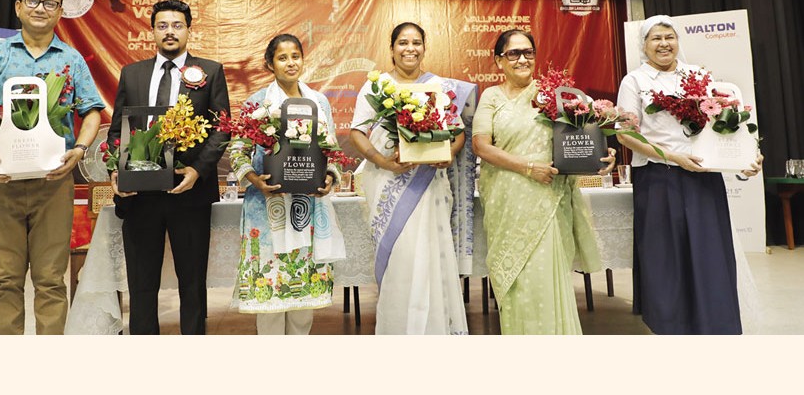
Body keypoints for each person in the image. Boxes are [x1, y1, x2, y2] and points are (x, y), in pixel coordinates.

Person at [0, 0, 105, 335]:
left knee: (51, 280)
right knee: (5, 280)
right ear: (19, 8)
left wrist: (80, 150)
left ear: (59, 13)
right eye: (33, 2)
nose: (41, 9)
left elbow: (92, 111)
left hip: (53, 183)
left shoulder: (71, 59)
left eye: (50, 4)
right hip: (3, 181)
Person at [615, 15, 763, 334]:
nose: (664, 43)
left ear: (678, 40)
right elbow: (625, 135)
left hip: (702, 174)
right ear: (644, 45)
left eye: (669, 36)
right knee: (664, 254)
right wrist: (673, 157)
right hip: (658, 177)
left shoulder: (698, 75)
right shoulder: (635, 81)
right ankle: (670, 326)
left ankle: (715, 322)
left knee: (710, 251)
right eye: (656, 38)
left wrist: (749, 155)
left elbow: (726, 124)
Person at [471, 29, 613, 334]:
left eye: (528, 53)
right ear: (499, 61)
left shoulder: (553, 94)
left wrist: (602, 153)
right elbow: (481, 146)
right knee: (517, 284)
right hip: (507, 205)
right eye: (513, 53)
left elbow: (581, 139)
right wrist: (528, 167)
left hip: (549, 201)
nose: (522, 59)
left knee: (548, 280)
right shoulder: (491, 97)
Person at [109, 0, 230, 334]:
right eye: (162, 25)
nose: (170, 31)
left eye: (177, 25)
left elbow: (223, 127)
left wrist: (198, 170)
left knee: (192, 283)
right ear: (152, 31)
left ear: (189, 30)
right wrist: (116, 172)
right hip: (139, 194)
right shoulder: (131, 73)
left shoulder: (210, 71)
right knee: (141, 283)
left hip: (189, 192)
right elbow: (118, 129)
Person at [349, 21, 476, 335]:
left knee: (431, 256)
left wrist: (448, 152)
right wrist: (383, 162)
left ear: (424, 47)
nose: (410, 49)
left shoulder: (439, 87)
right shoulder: (376, 87)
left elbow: (457, 133)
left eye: (416, 42)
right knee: (401, 260)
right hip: (387, 184)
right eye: (403, 43)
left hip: (430, 185)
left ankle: (434, 331)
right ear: (392, 49)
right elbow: (357, 132)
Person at [227, 34, 346, 335]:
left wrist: (330, 176)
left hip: (309, 210)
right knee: (270, 300)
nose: (291, 62)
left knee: (303, 299)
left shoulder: (318, 102)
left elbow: (330, 151)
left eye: (296, 56)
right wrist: (255, 179)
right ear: (270, 63)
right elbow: (238, 152)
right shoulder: (258, 102)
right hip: (266, 210)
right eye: (283, 57)